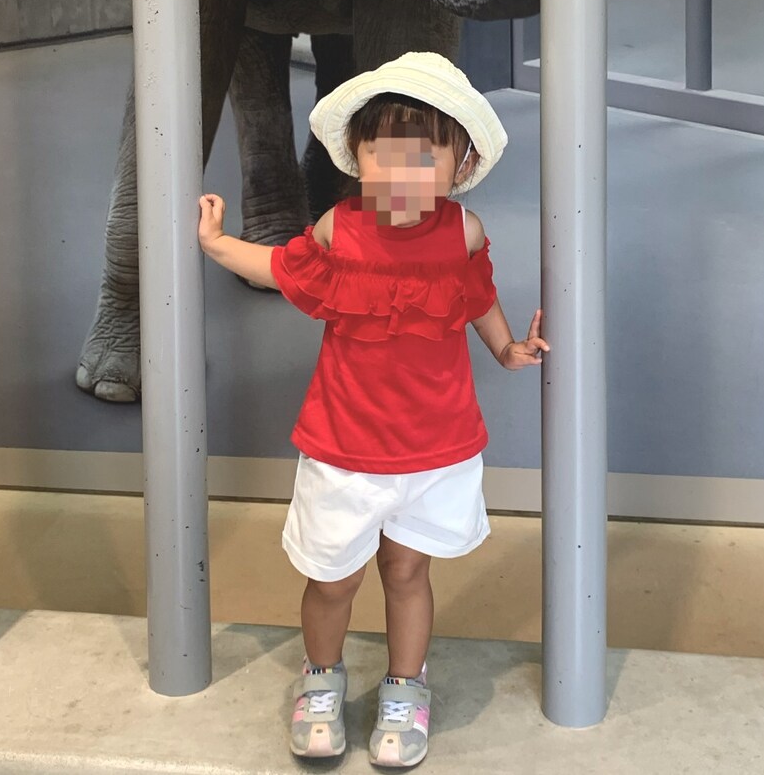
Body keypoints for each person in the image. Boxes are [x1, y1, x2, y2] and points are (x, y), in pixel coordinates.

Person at [198, 51, 548, 769]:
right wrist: (219, 244)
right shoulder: (340, 228)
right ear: (355, 157)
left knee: (408, 574)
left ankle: (405, 687)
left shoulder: (464, 231)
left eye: (424, 157)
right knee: (332, 580)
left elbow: (477, 297)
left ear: (460, 163)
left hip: (434, 448)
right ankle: (320, 681)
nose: (400, 174)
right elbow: (283, 268)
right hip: (343, 450)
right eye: (381, 155)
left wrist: (507, 348)